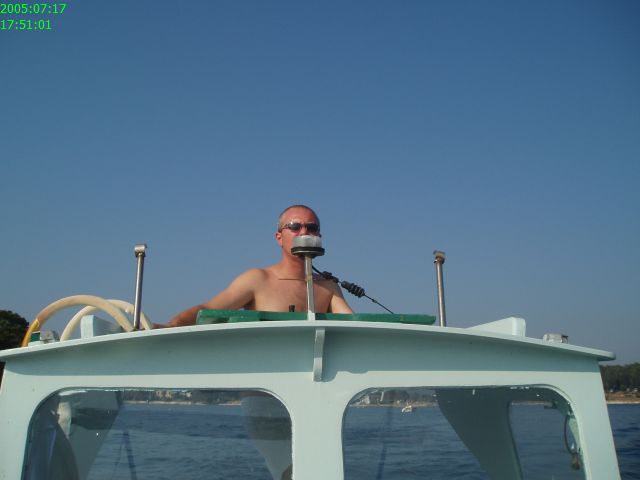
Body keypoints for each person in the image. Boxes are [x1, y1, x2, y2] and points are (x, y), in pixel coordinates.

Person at [161, 204, 353, 327]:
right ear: (279, 237)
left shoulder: (328, 286)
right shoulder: (257, 280)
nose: (304, 233)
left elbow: (352, 324)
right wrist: (169, 326)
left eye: (311, 227)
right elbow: (208, 310)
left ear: (319, 236)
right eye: (295, 227)